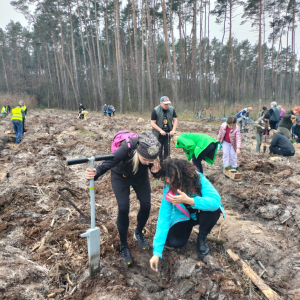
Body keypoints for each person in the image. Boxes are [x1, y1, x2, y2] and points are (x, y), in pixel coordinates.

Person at [85, 132, 161, 264]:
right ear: (138, 151)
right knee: (124, 208)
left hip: (140, 177)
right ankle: (123, 244)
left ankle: (138, 232)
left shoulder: (152, 149)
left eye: (151, 161)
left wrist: (156, 171)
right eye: (146, 160)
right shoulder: (127, 147)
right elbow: (109, 162)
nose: (148, 163)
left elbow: (156, 173)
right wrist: (95, 173)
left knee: (146, 205)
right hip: (120, 176)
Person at [149, 158, 225, 271]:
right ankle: (186, 229)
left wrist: (190, 201)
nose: (168, 183)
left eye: (171, 180)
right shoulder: (169, 188)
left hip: (203, 213)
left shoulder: (198, 179)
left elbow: (215, 201)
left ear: (181, 177)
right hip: (185, 217)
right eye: (166, 180)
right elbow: (164, 217)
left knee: (213, 212)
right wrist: (157, 252)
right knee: (174, 242)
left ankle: (202, 238)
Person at [151, 96, 178, 163]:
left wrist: (173, 130)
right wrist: (160, 130)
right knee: (158, 151)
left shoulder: (171, 109)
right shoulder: (156, 110)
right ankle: (160, 165)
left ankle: (167, 165)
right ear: (161, 103)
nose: (167, 105)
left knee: (167, 151)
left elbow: (175, 120)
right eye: (165, 104)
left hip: (168, 134)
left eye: (168, 104)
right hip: (158, 135)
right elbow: (152, 123)